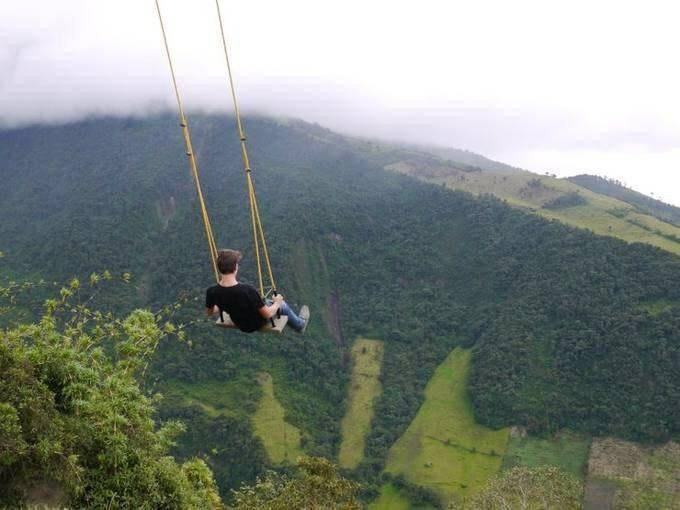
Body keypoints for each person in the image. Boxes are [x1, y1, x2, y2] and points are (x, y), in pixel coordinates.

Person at [206, 249, 309, 333]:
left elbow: (210, 312)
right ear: (235, 268)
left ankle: (296, 321)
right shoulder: (247, 290)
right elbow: (267, 314)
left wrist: (223, 303)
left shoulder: (212, 291)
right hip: (257, 322)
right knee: (282, 305)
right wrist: (277, 302)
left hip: (240, 324)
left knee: (264, 303)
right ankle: (299, 325)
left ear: (219, 268)